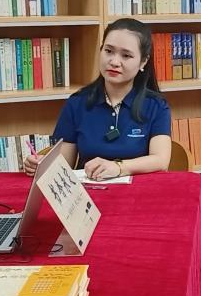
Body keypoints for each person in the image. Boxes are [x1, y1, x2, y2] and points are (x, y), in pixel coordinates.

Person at [24, 18, 171, 180]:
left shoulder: (156, 106)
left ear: (143, 61)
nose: (114, 62)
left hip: (138, 191)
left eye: (126, 55)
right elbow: (64, 163)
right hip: (88, 190)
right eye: (108, 51)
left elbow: (161, 160)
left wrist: (119, 167)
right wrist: (42, 164)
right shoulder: (77, 103)